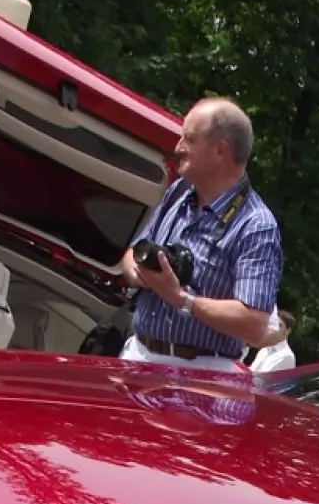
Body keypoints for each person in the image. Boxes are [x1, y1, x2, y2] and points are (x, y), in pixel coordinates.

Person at [117, 97, 282, 370]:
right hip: (138, 355)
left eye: (189, 139)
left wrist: (181, 299)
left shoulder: (256, 225)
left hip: (200, 375)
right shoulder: (179, 192)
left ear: (220, 151)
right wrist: (140, 273)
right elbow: (132, 253)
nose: (178, 147)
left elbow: (254, 325)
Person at [248, 307, 297, 374]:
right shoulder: (265, 349)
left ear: (288, 331)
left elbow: (262, 381)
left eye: (280, 325)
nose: (275, 328)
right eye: (274, 324)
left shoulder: (287, 356)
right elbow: (251, 370)